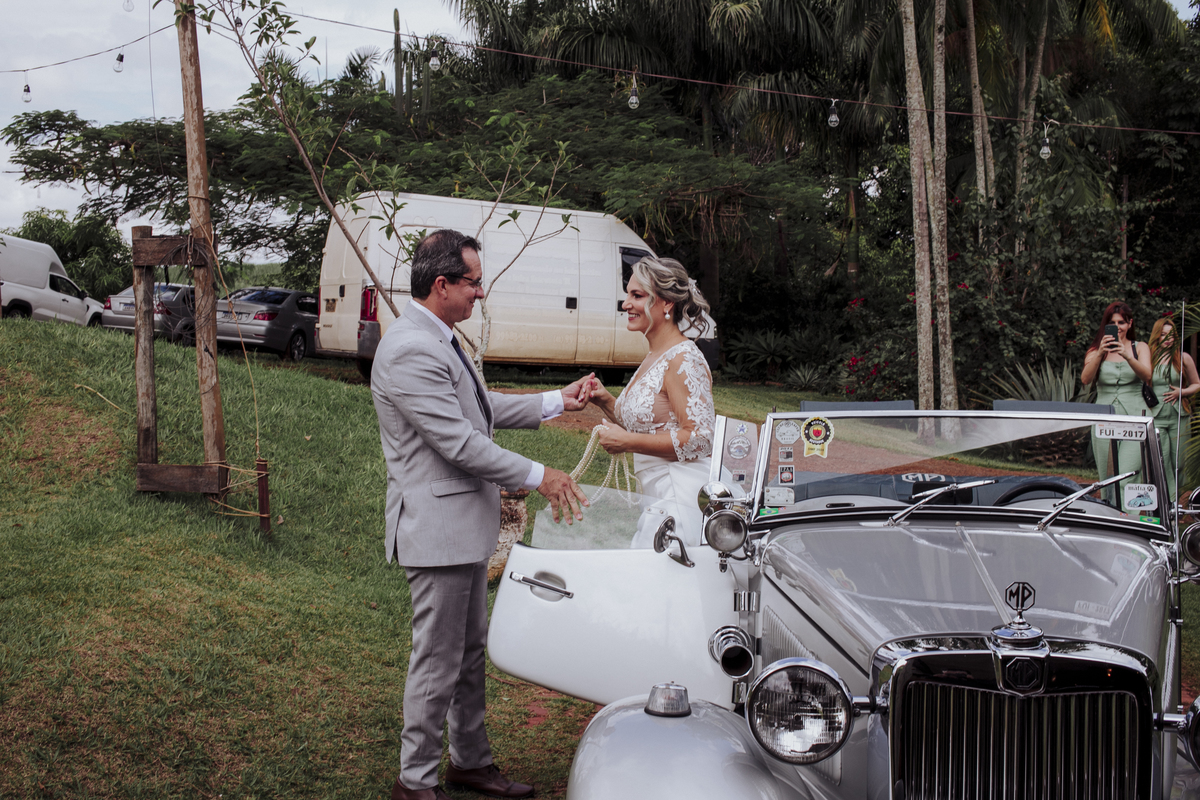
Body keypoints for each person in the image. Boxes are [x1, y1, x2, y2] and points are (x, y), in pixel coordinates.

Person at [371, 229, 592, 800]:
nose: (481, 291)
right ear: (442, 284)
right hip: (437, 531)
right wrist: (541, 475)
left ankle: (469, 762)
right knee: (437, 661)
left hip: (462, 528)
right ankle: (414, 782)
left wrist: (556, 401)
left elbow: (478, 408)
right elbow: (459, 442)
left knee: (468, 655)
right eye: (473, 282)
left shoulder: (439, 336)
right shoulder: (410, 348)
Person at [584, 256, 715, 546]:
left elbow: (700, 438)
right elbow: (651, 424)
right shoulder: (656, 355)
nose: (626, 304)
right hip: (656, 495)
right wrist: (605, 400)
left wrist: (628, 443)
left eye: (637, 295)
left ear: (666, 303)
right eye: (628, 295)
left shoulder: (683, 358)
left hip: (679, 495)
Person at [1081, 301, 1152, 508]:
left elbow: (1147, 375)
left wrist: (1126, 355)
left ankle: (1130, 519)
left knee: (1128, 476)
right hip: (1105, 418)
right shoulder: (1096, 350)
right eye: (1112, 323)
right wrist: (1100, 353)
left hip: (1134, 418)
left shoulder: (1140, 347)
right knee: (1107, 480)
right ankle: (1110, 518)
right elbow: (1085, 379)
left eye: (1121, 322)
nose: (1117, 326)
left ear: (1130, 324)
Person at [1148, 315, 1200, 500]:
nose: (1168, 339)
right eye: (1163, 334)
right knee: (1162, 459)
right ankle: (1169, 500)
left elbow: (1197, 384)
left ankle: (1179, 498)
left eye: (1171, 335)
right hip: (1157, 416)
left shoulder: (1183, 357)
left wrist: (1182, 392)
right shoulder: (1149, 358)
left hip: (1179, 415)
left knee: (1180, 461)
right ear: (1157, 336)